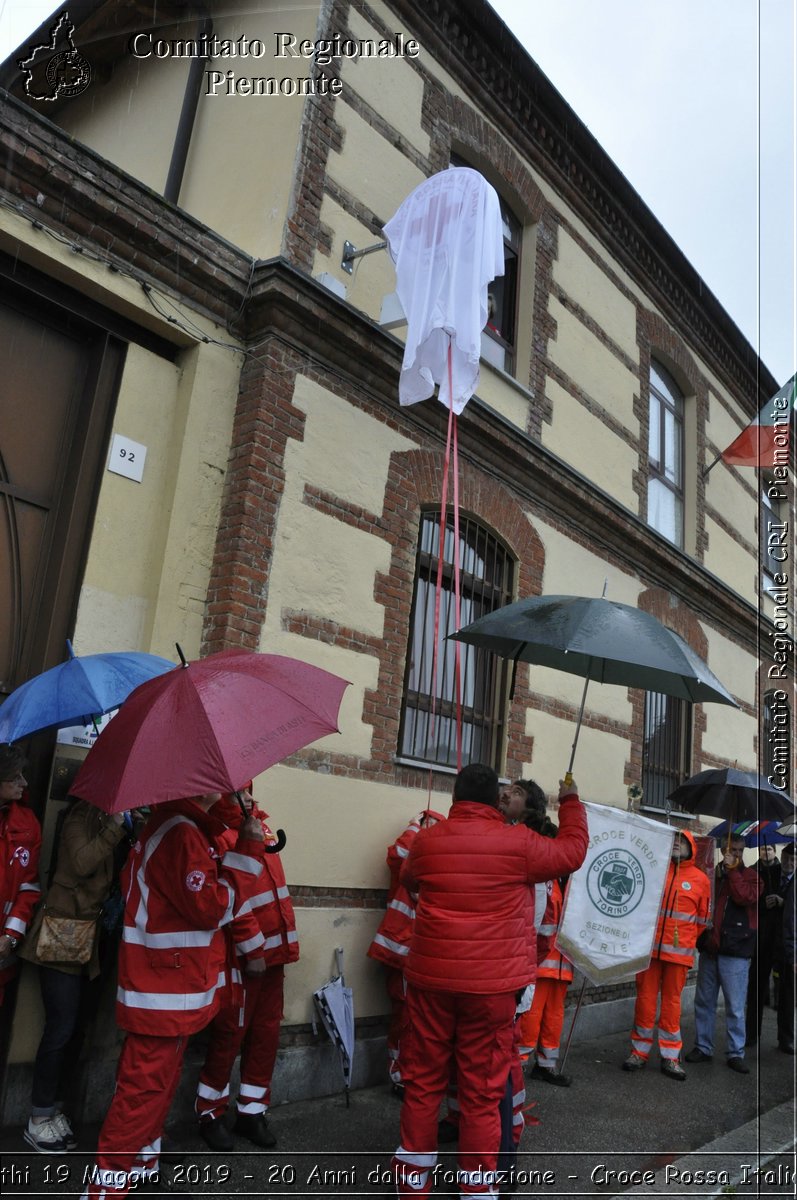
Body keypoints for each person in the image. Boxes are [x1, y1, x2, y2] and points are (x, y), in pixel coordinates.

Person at [391, 763, 588, 1200]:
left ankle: (412, 1187)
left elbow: (409, 880)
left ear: (455, 797)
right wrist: (570, 801)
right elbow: (572, 853)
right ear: (494, 799)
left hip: (431, 983)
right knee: (482, 1093)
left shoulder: (427, 841)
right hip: (493, 990)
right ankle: (478, 1191)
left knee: (423, 1083)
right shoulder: (519, 844)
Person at [81, 790, 265, 1200]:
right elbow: (212, 908)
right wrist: (249, 849)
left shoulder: (181, 828)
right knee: (142, 1091)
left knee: (155, 1087)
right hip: (164, 989)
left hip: (168, 986)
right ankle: (105, 1189)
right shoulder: (180, 832)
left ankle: (143, 1165)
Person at [20, 798, 132, 1152]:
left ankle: (55, 1110)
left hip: (93, 940)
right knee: (60, 1028)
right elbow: (81, 862)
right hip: (63, 936)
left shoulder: (125, 821)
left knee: (78, 1029)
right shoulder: (80, 816)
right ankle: (38, 1117)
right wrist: (115, 827)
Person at [196, 789, 299, 1150]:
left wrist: (281, 945)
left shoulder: (260, 828)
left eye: (248, 788)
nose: (246, 796)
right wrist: (253, 948)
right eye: (237, 790)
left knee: (266, 1034)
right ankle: (210, 1111)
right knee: (230, 1034)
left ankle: (252, 1112)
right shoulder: (218, 834)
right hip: (244, 958)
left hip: (274, 954)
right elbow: (231, 901)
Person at [367, 808, 445, 1095]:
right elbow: (398, 853)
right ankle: (400, 1076)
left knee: (420, 1021)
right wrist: (416, 826)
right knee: (405, 1019)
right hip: (401, 955)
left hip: (424, 957)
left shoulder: (436, 868)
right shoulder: (405, 860)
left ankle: (411, 1074)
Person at [623, 830, 711, 1080]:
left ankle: (670, 1057)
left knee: (672, 1005)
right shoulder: (656, 870)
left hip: (678, 954)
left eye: (681, 841)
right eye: (673, 840)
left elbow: (703, 919)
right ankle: (638, 1053)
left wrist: (685, 940)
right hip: (649, 951)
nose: (676, 845)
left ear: (691, 847)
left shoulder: (700, 879)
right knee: (645, 1001)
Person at [685, 833, 762, 1074]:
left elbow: (743, 897)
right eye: (732, 849)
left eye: (739, 850)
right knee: (704, 1001)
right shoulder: (712, 874)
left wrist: (732, 872)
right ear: (723, 849)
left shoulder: (752, 878)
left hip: (736, 953)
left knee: (735, 1006)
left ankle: (735, 1052)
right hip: (711, 948)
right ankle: (703, 1046)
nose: (736, 854)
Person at [517, 809, 576, 1087]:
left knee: (554, 1014)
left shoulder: (569, 880)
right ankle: (518, 1063)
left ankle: (547, 1063)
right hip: (540, 961)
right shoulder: (544, 878)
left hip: (562, 962)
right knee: (531, 1014)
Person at [0, 745, 42, 1008]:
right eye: (15, 777)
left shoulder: (28, 824)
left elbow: (29, 887)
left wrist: (10, 936)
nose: (24, 783)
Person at [745, 842, 783, 1047]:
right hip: (760, 937)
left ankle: (785, 1038)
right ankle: (752, 1033)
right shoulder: (752, 871)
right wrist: (762, 904)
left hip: (780, 938)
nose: (765, 852)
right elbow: (748, 901)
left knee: (784, 990)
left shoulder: (783, 871)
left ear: (774, 851)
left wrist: (780, 901)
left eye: (769, 849)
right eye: (762, 849)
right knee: (756, 987)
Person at [773, 842, 795, 1053]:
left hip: (788, 946)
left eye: (793, 860)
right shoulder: (772, 876)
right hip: (770, 942)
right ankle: (752, 1035)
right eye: (787, 858)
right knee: (762, 989)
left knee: (787, 994)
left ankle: (785, 1038)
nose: (789, 863)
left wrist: (784, 902)